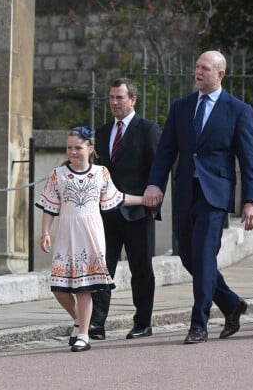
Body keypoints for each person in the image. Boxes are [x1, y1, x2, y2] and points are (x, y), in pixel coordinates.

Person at [144, 50, 253, 344]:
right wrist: (155, 184)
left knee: (205, 256)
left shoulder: (238, 109)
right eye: (196, 67)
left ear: (220, 74)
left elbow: (247, 160)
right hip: (185, 191)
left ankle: (199, 324)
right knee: (188, 256)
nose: (198, 73)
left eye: (204, 68)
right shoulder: (181, 107)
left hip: (215, 194)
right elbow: (166, 150)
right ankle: (232, 304)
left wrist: (251, 201)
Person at [37, 127, 148, 352]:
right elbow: (50, 206)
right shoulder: (58, 175)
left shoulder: (101, 173)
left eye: (78, 147)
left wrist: (144, 200)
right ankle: (80, 320)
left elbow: (116, 199)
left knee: (84, 288)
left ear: (89, 149)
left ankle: (84, 335)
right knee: (59, 288)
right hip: (66, 236)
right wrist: (45, 232)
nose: (73, 152)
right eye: (69, 148)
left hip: (90, 236)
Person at [89, 78, 162, 341]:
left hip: (137, 213)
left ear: (133, 100)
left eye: (120, 97)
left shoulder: (148, 130)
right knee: (102, 269)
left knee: (140, 270)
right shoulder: (103, 131)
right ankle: (96, 324)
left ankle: (143, 322)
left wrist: (153, 204)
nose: (114, 102)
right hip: (105, 215)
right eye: (111, 98)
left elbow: (159, 170)